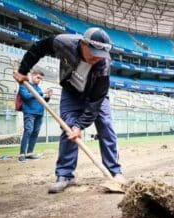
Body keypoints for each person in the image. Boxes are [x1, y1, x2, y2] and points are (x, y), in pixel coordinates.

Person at [13, 27, 125, 193]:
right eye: (93, 52)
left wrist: (80, 126)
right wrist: (23, 71)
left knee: (106, 126)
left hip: (95, 95)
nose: (96, 58)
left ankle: (115, 173)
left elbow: (95, 103)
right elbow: (39, 48)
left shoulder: (103, 65)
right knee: (67, 127)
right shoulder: (63, 43)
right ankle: (65, 175)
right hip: (71, 92)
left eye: (100, 54)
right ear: (83, 43)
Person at [18, 70, 52, 162]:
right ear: (32, 76)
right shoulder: (24, 85)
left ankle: (29, 153)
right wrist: (42, 93)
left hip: (39, 113)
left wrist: (47, 97)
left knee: (35, 133)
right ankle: (22, 154)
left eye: (40, 78)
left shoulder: (38, 88)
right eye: (38, 77)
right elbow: (26, 96)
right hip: (29, 112)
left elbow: (42, 101)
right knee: (28, 131)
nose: (39, 80)